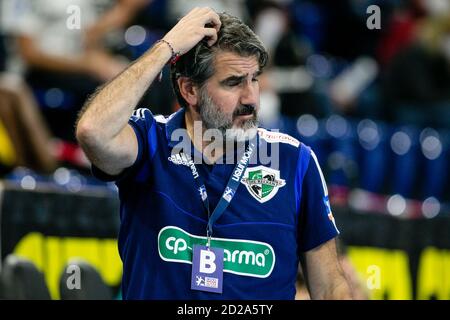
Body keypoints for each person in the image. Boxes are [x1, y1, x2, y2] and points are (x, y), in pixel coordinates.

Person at [76, 8, 353, 300]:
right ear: (189, 90)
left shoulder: (294, 161)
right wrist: (166, 48)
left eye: (254, 79)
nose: (250, 98)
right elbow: (92, 131)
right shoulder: (151, 142)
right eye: (233, 82)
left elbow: (330, 288)